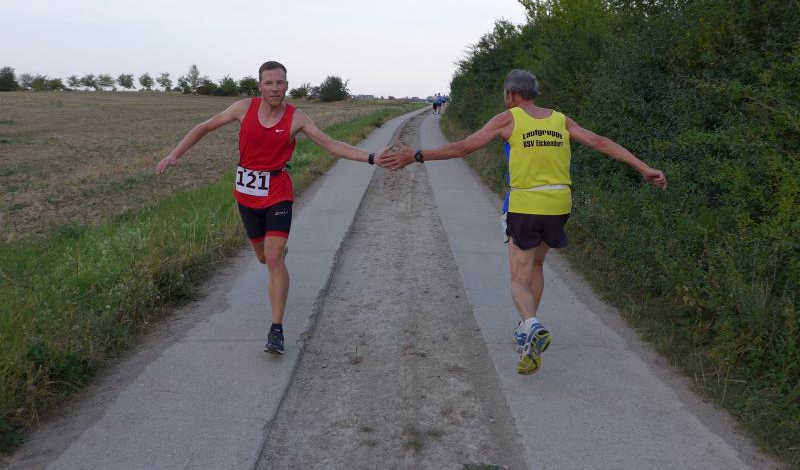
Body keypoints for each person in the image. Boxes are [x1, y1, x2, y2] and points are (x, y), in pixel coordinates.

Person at [380, 69, 666, 374]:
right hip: (559, 203)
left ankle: (530, 324)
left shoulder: (508, 119)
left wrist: (416, 155)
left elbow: (462, 147)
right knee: (537, 265)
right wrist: (644, 167)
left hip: (526, 203)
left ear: (511, 94)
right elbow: (599, 141)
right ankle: (526, 331)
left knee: (519, 277)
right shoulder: (560, 120)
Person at [156, 61, 386, 354]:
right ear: (260, 86)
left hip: (278, 192)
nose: (275, 88)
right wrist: (175, 155)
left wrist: (372, 157)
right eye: (269, 83)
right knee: (264, 257)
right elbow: (205, 127)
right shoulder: (243, 108)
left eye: (280, 83)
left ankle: (276, 329)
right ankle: (275, 252)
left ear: (287, 85)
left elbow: (332, 145)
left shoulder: (296, 118)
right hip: (246, 195)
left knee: (275, 259)